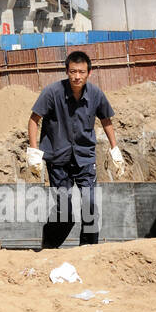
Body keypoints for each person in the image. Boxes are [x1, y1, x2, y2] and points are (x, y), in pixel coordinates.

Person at [25, 50, 123, 247]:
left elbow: (106, 120)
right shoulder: (52, 92)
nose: (77, 76)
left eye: (81, 72)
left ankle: (88, 251)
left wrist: (115, 149)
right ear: (67, 72)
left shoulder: (95, 94)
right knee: (65, 212)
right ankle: (49, 247)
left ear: (89, 73)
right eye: (73, 72)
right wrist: (34, 151)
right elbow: (34, 120)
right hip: (58, 160)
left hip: (85, 159)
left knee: (91, 206)